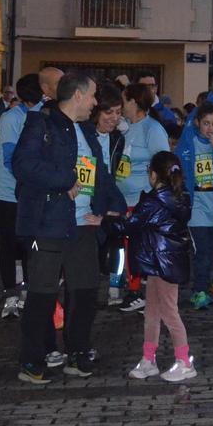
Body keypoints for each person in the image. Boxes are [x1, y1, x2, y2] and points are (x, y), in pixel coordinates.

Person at [13, 71, 126, 384]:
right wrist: (63, 180)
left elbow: (100, 174)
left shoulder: (87, 131)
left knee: (84, 292)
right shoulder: (42, 123)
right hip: (48, 224)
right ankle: (32, 360)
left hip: (83, 225)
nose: (94, 102)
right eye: (92, 96)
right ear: (77, 95)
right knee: (42, 295)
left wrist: (112, 207)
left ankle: (78, 353)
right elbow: (23, 164)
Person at [120, 151, 196, 382]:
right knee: (152, 311)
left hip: (162, 262)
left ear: (153, 175)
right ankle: (148, 359)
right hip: (161, 261)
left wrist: (105, 220)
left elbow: (131, 225)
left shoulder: (154, 201)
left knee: (169, 312)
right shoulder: (179, 197)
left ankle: (184, 361)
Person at [115, 83, 173, 313]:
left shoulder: (153, 129)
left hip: (142, 199)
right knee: (129, 246)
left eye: (124, 100)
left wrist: (157, 197)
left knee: (138, 246)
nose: (121, 105)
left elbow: (164, 164)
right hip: (123, 197)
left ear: (134, 102)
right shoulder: (125, 127)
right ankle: (134, 289)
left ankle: (138, 292)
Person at [0, 73, 44, 320]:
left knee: (30, 245)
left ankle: (28, 292)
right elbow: (10, 158)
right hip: (8, 193)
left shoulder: (43, 114)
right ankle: (11, 293)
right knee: (10, 244)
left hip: (30, 192)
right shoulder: (11, 118)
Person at [176, 101, 213, 310]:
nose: (210, 128)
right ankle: (199, 290)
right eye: (206, 123)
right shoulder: (188, 142)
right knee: (202, 252)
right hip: (197, 207)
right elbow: (178, 164)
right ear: (197, 123)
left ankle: (209, 285)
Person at [89, 84, 126, 305]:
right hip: (89, 197)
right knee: (90, 246)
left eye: (118, 112)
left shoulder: (118, 138)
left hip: (111, 194)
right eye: (108, 112)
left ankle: (115, 287)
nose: (114, 118)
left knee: (116, 244)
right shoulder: (84, 135)